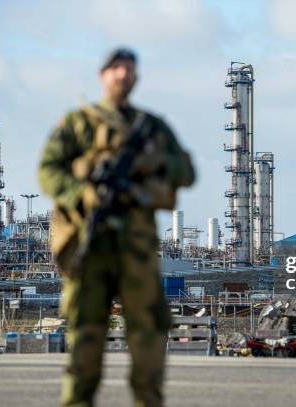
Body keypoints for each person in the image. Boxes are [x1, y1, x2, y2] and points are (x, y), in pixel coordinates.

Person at [38, 47, 195, 407]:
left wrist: (148, 162)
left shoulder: (152, 128)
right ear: (103, 75)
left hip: (136, 252)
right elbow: (48, 171)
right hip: (90, 247)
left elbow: (186, 171)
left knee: (149, 343)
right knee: (84, 344)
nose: (123, 75)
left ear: (136, 77)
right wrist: (81, 193)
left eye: (129, 69)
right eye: (116, 68)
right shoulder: (79, 124)